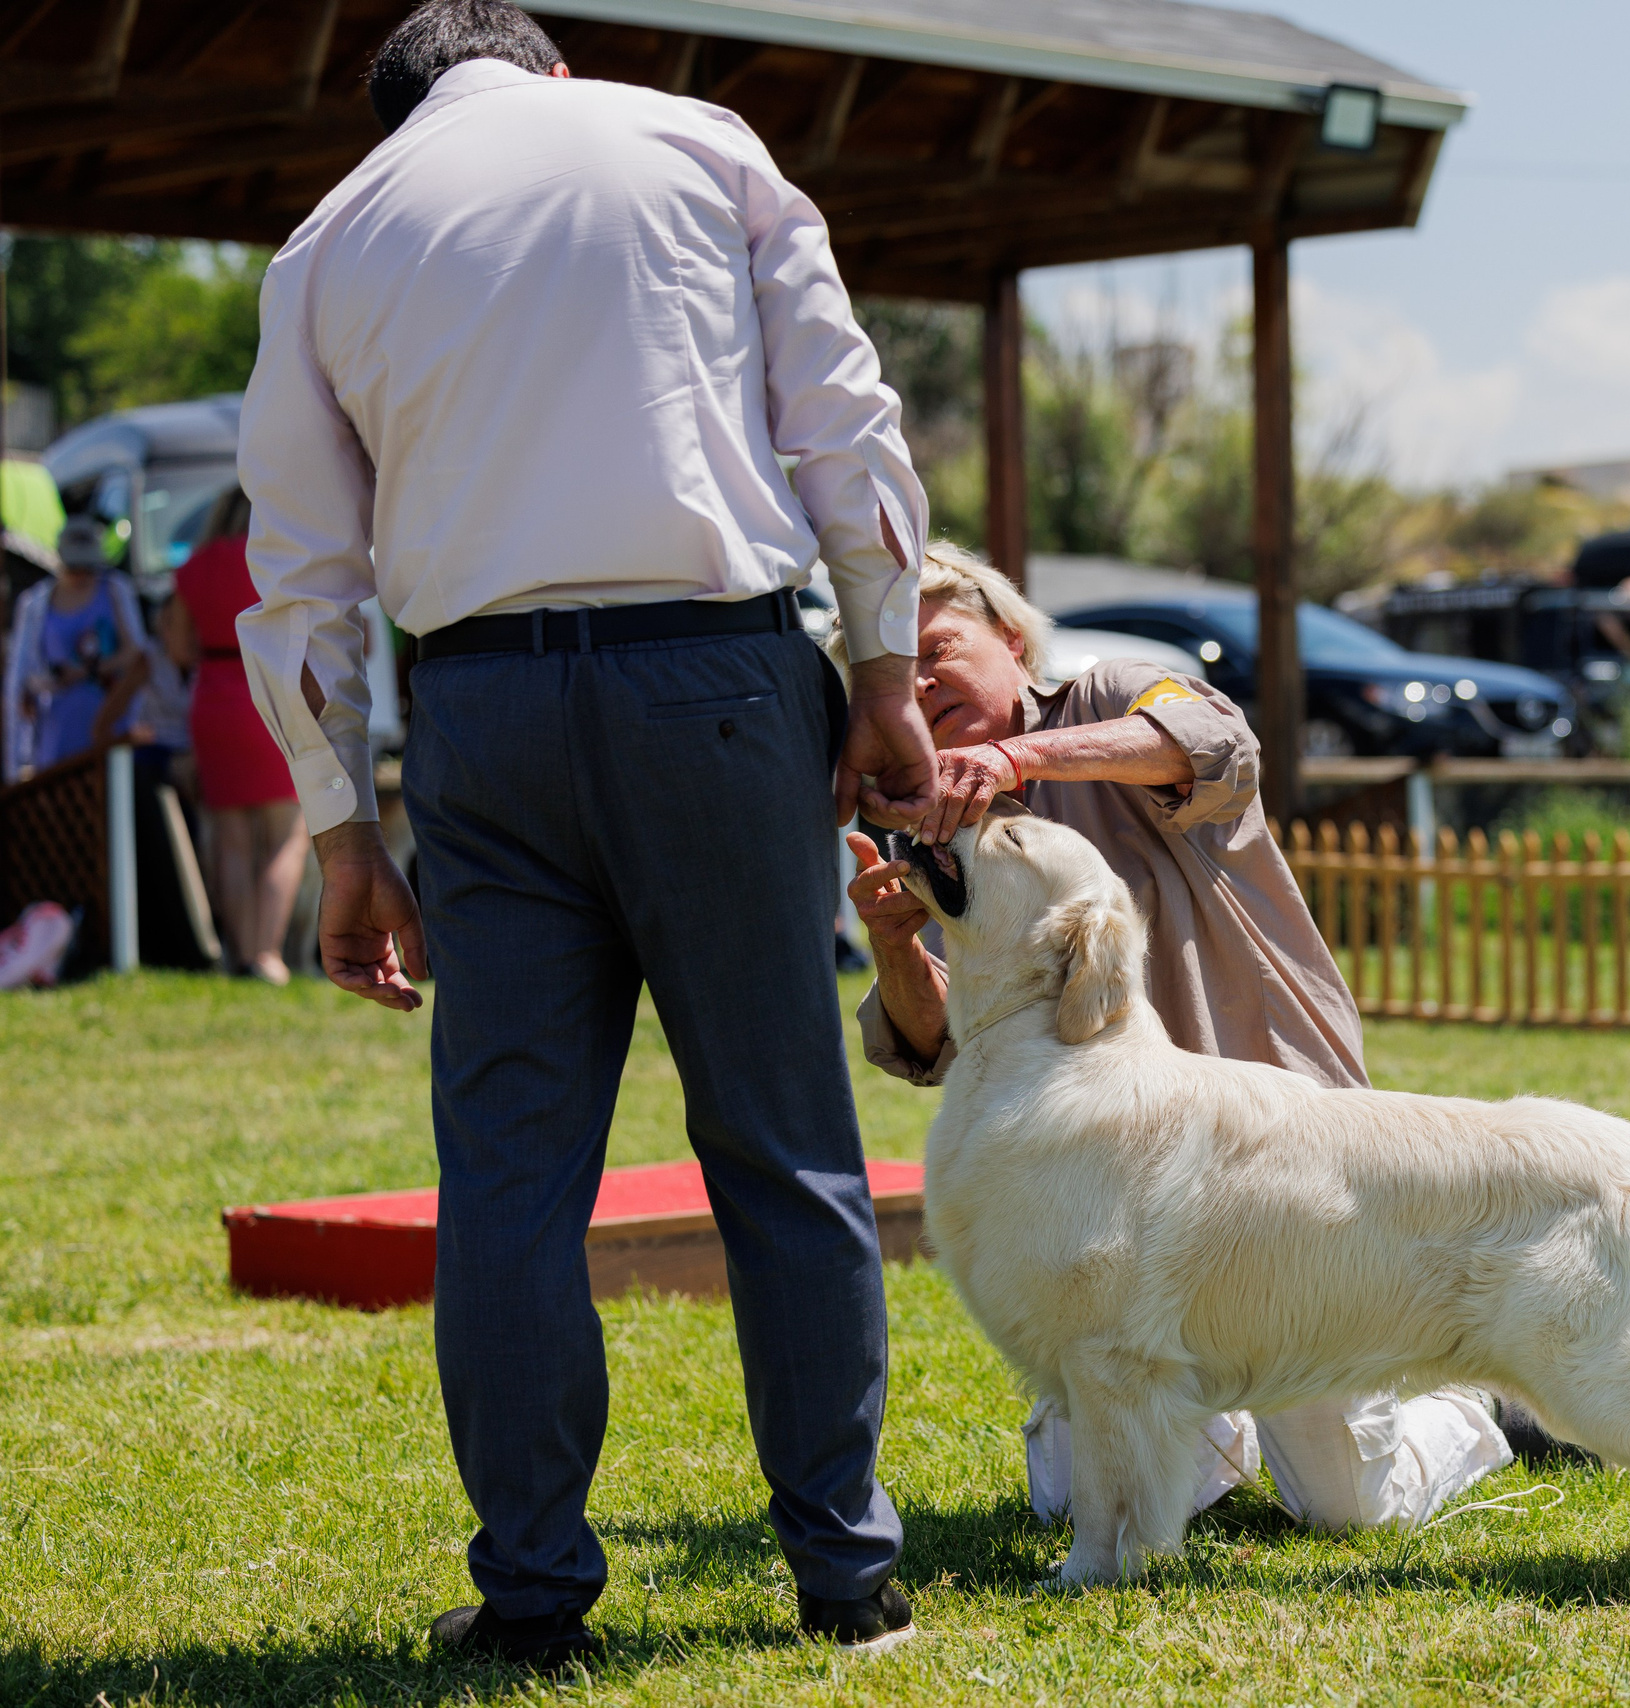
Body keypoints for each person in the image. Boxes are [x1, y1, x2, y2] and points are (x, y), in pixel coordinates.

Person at [234, 0, 939, 1670]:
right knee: (782, 1141)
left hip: (476, 712)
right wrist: (893, 667)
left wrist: (341, 833)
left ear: (400, 111)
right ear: (549, 67)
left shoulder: (329, 241)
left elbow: (300, 570)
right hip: (712, 677)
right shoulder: (696, 140)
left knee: (508, 1178)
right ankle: (845, 1573)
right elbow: (844, 412)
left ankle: (534, 1592)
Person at [847, 546, 1515, 1535]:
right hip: (1114, 1201)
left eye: (938, 647)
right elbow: (938, 1043)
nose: (920, 682)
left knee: (1344, 1509)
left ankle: (1465, 1404)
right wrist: (895, 943)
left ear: (1016, 639)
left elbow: (1214, 737)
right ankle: (1220, 1410)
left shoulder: (1107, 697)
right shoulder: (937, 829)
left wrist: (1017, 759)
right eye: (893, 672)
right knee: (1074, 1499)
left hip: (1280, 1173)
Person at [163, 488, 308, 984]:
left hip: (215, 702)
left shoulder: (196, 565)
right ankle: (267, 954)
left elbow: (178, 648)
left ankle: (240, 955)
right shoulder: (280, 560)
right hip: (270, 694)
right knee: (288, 833)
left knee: (231, 839)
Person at [3, 516, 147, 779]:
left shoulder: (115, 590)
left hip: (109, 732)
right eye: (74, 567)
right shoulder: (35, 604)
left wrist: (84, 672)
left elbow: (136, 656)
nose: (82, 575)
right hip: (56, 737)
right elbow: (20, 679)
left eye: (88, 567)